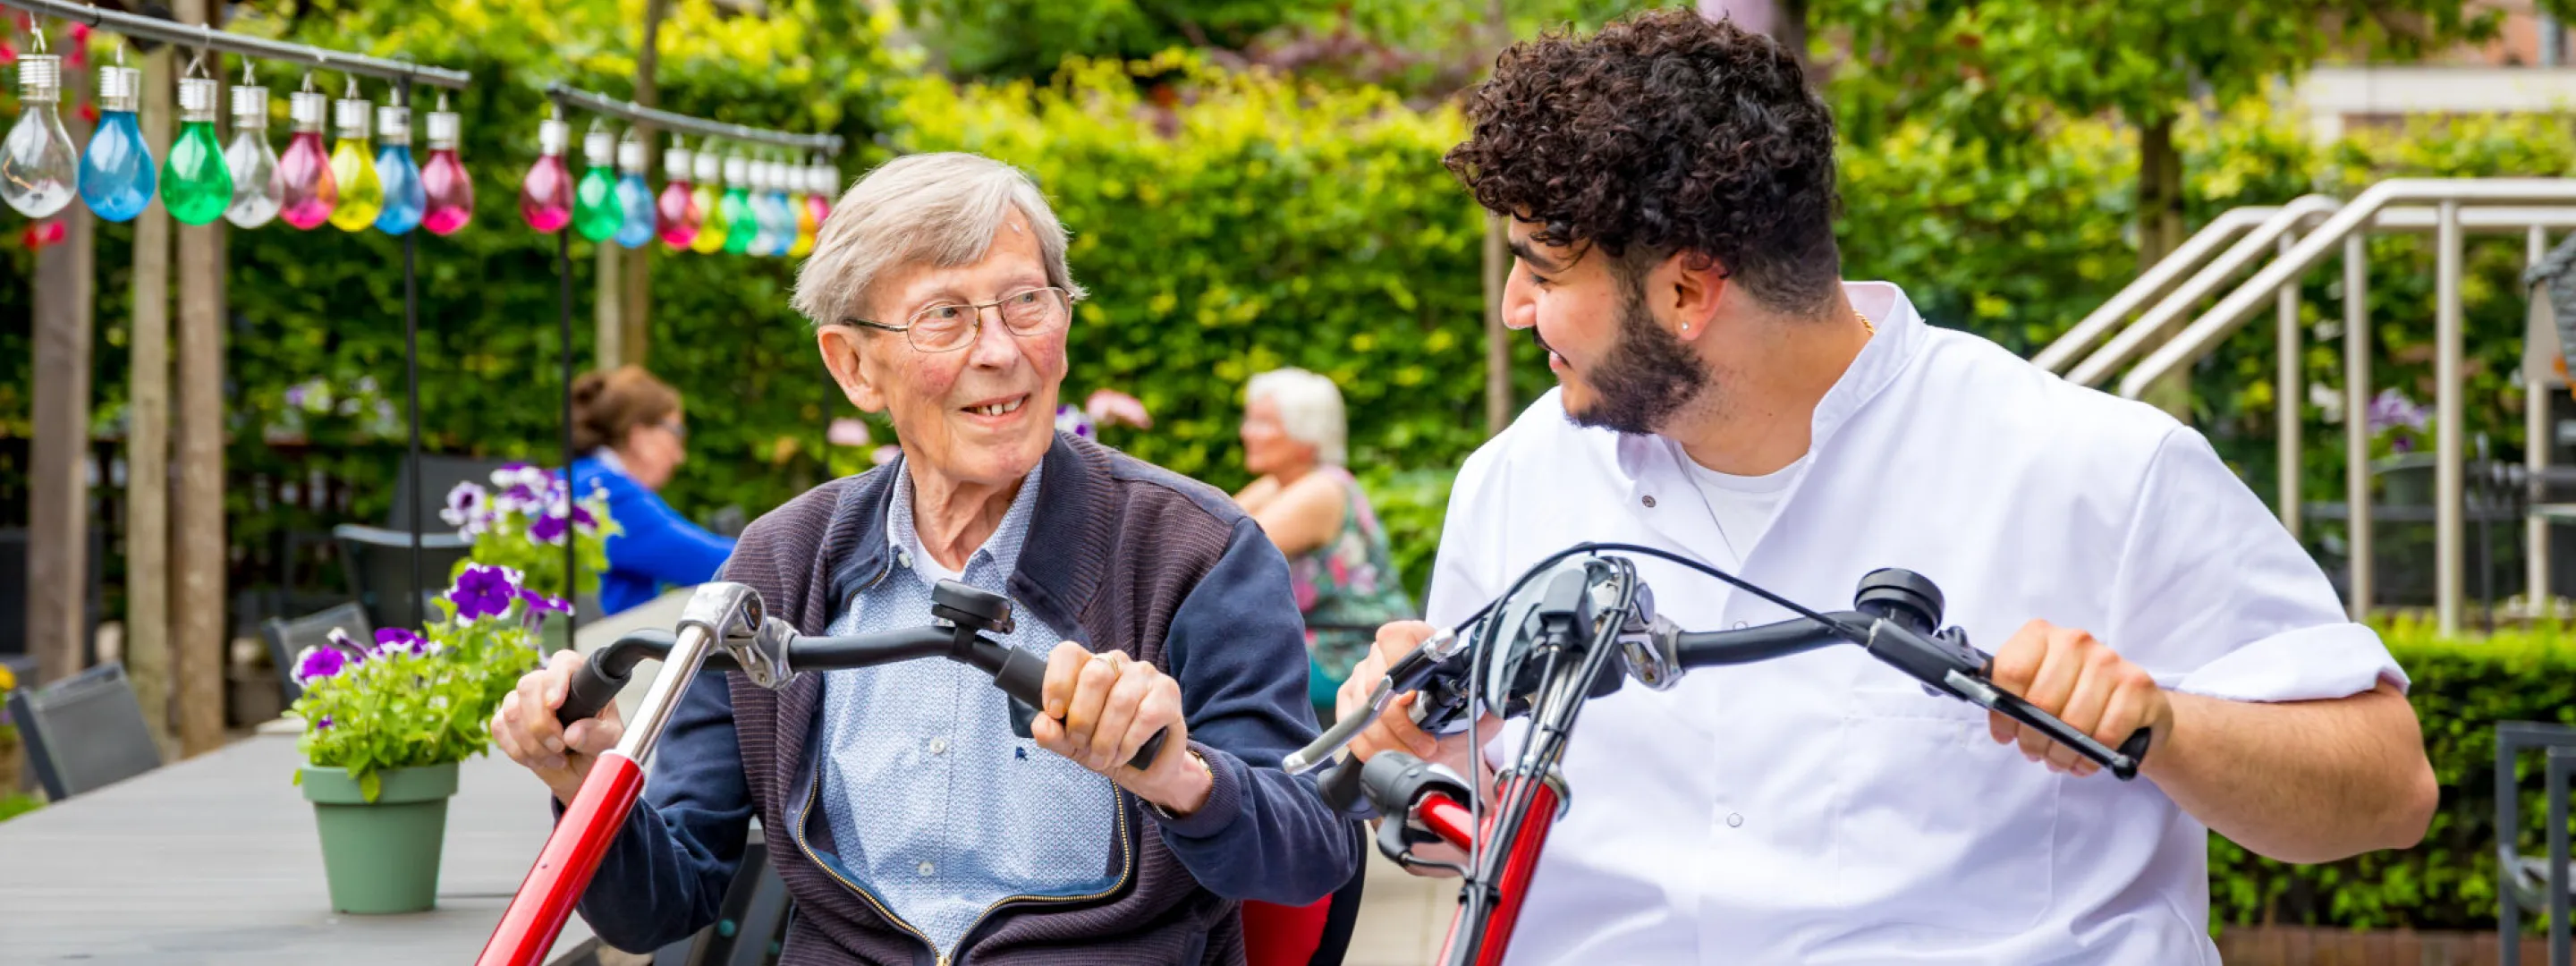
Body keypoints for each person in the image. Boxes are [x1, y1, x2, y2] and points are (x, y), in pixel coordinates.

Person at [1336, 12, 2436, 963]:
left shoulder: (2092, 466)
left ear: (1686, 288)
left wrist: (2168, 725)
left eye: (1542, 269)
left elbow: (2389, 790)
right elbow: (1467, 833)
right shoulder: (1517, 482)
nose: (1514, 310)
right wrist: (1413, 759)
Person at [492, 152, 1352, 964]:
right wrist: (580, 786)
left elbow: (1310, 852)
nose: (1000, 349)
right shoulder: (777, 569)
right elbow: (665, 903)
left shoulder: (1195, 552)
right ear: (855, 366)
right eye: (944, 315)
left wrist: (1180, 774)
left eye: (1026, 302)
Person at [1230, 368, 1415, 719]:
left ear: (1307, 437)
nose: (1246, 433)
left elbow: (1219, 555)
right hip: (1317, 642)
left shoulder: (1321, 491)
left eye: (1264, 423)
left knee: (1217, 676)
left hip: (1355, 654)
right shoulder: (1278, 484)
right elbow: (1200, 525)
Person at [567, 366, 737, 617]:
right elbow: (714, 564)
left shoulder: (575, 479)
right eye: (677, 433)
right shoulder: (608, 494)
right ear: (640, 437)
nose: (680, 456)